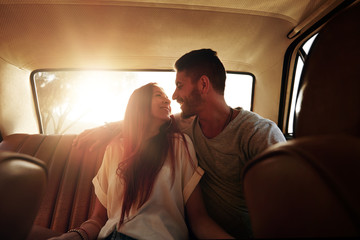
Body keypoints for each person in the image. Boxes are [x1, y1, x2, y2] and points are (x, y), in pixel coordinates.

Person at [74, 49, 286, 238]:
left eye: (179, 86)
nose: (174, 96)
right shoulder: (184, 125)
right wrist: (107, 129)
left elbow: (288, 201)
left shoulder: (258, 133)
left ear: (203, 84)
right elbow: (142, 122)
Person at [52, 83, 233, 240]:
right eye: (158, 95)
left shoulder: (180, 145)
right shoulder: (114, 148)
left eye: (166, 97)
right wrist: (77, 234)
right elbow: (98, 218)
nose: (168, 100)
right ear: (140, 103)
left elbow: (199, 219)